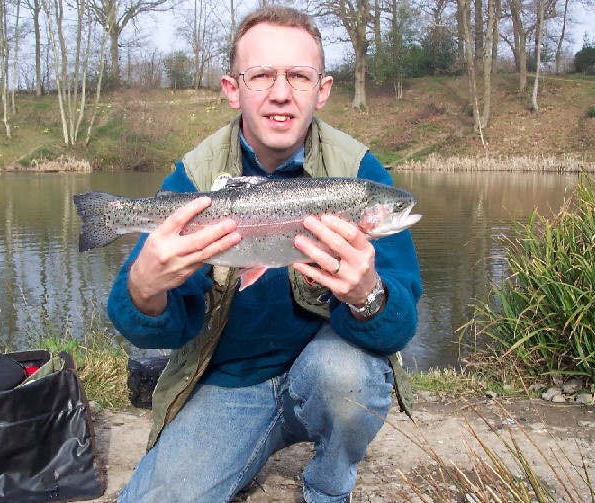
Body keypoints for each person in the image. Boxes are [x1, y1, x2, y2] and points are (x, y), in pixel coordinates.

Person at [107, 6, 422, 503]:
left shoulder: (361, 175)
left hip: (326, 371)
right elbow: (162, 322)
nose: (280, 93)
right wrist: (144, 289)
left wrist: (370, 295)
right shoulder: (194, 177)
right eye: (261, 76)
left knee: (349, 375)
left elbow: (401, 325)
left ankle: (329, 485)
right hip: (229, 384)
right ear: (233, 89)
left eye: (298, 76)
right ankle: (242, 449)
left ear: (323, 90)